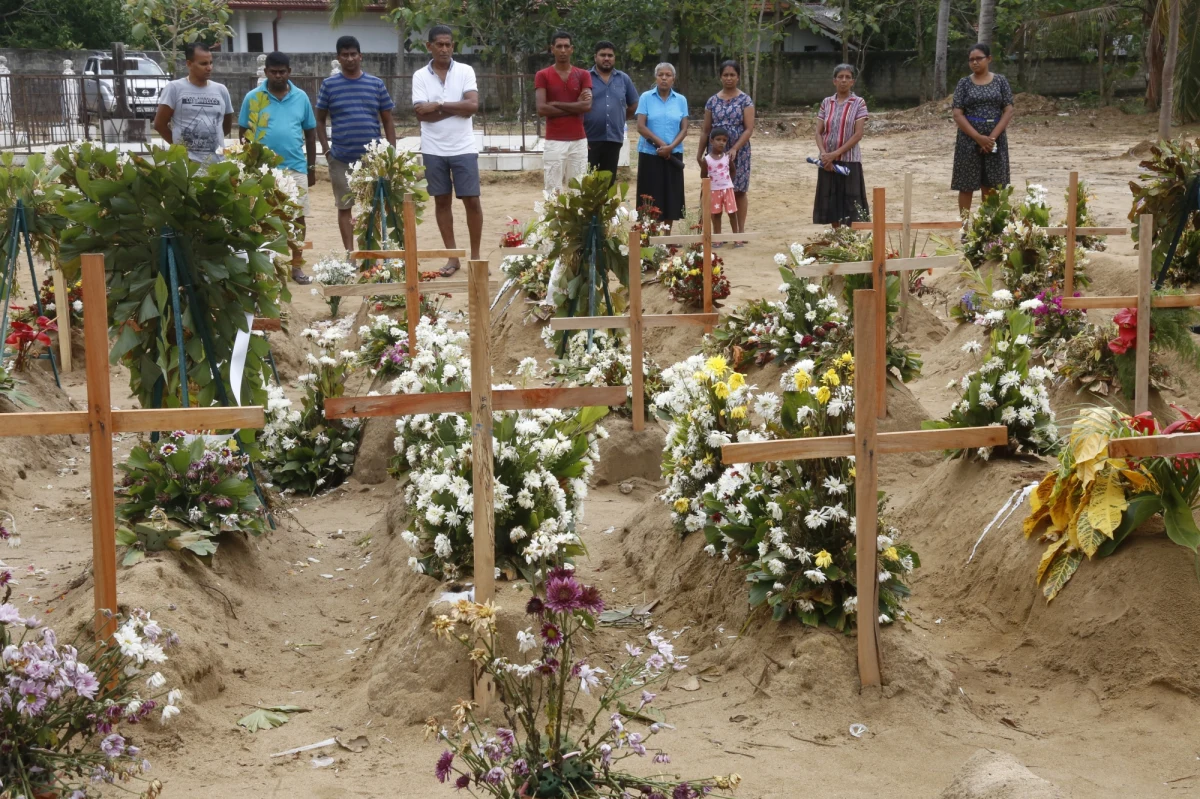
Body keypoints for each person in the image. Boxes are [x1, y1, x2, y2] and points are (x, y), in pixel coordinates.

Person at [238, 51, 317, 285]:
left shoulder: (301, 97)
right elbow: (243, 133)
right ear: (266, 72)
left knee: (298, 218)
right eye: (274, 71)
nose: (278, 75)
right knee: (262, 218)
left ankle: (296, 266)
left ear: (289, 72)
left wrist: (310, 167)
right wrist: (247, 166)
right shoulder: (253, 97)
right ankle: (266, 267)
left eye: (282, 71)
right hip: (263, 170)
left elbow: (310, 134)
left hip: (295, 167)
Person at [412, 24, 482, 277]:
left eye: (448, 44)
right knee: (442, 201)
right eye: (439, 44)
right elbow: (422, 115)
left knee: (472, 201)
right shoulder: (420, 76)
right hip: (433, 149)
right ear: (429, 46)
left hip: (463, 147)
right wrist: (457, 108)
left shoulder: (465, 71)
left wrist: (439, 104)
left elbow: (472, 106)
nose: (444, 49)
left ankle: (475, 257)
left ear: (453, 46)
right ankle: (452, 257)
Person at [316, 35, 397, 250]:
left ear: (361, 56)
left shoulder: (376, 84)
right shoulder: (329, 85)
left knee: (375, 206)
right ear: (338, 58)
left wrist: (391, 155)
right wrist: (326, 150)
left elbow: (388, 120)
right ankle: (350, 255)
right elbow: (319, 119)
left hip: (373, 160)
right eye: (345, 55)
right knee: (344, 207)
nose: (350, 58)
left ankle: (373, 252)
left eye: (353, 54)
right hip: (341, 158)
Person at [952, 43, 1014, 214]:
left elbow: (1008, 110)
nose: (974, 62)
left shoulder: (1000, 81)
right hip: (968, 139)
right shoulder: (964, 84)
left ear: (989, 59)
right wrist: (978, 138)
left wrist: (991, 138)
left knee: (991, 184)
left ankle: (988, 226)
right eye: (971, 60)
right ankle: (965, 227)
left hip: (995, 139)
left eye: (978, 58)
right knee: (966, 185)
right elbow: (957, 114)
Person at [697, 60, 755, 243]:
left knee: (738, 190)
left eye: (732, 75)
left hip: (740, 151)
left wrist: (734, 149)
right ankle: (710, 231)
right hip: (714, 154)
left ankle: (739, 232)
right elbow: (706, 130)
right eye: (725, 75)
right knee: (711, 190)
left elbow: (749, 128)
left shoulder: (745, 100)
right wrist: (700, 153)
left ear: (738, 77)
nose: (729, 78)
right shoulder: (712, 101)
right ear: (720, 77)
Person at [153, 43, 233, 165]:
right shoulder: (174, 88)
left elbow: (225, 127)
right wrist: (180, 151)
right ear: (189, 64)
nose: (209, 67)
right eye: (203, 64)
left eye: (211, 62)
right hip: (186, 166)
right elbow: (159, 125)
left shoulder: (221, 90)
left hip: (217, 165)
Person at [535, 30, 593, 194]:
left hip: (579, 141)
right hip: (554, 141)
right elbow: (541, 109)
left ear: (572, 49)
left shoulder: (583, 75)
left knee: (579, 190)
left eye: (566, 46)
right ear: (552, 49)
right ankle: (553, 221)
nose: (562, 50)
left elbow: (587, 106)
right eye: (559, 46)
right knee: (553, 190)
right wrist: (575, 105)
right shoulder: (543, 75)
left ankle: (577, 221)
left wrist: (556, 104)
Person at [812, 63, 869, 227]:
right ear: (834, 81)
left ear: (852, 82)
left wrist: (834, 154)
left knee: (850, 203)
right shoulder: (826, 103)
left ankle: (850, 242)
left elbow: (858, 134)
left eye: (848, 77)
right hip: (827, 163)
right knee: (831, 202)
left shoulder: (859, 103)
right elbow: (818, 132)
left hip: (849, 161)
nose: (844, 80)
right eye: (840, 77)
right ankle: (837, 239)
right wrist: (824, 155)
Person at [635, 64, 688, 229]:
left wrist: (670, 147)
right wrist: (662, 145)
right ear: (655, 77)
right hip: (650, 153)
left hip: (673, 155)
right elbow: (641, 126)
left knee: (670, 195)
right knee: (650, 194)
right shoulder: (645, 97)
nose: (664, 78)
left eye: (668, 75)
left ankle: (667, 236)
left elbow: (684, 128)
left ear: (674, 78)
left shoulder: (681, 100)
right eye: (660, 75)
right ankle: (649, 235)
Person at [583, 40, 638, 185]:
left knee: (608, 182)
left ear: (614, 58)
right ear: (595, 57)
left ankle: (606, 207)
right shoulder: (585, 77)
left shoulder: (623, 79)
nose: (606, 58)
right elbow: (577, 106)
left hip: (614, 139)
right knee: (588, 182)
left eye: (610, 55)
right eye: (602, 55)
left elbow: (633, 104)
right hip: (589, 140)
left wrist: (619, 120)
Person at [702, 127, 740, 238]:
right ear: (711, 141)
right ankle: (718, 238)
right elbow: (703, 175)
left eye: (724, 140)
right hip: (713, 191)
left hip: (727, 190)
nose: (721, 143)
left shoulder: (727, 158)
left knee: (732, 213)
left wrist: (727, 182)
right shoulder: (707, 159)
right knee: (716, 214)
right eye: (718, 139)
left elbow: (733, 171)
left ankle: (736, 238)